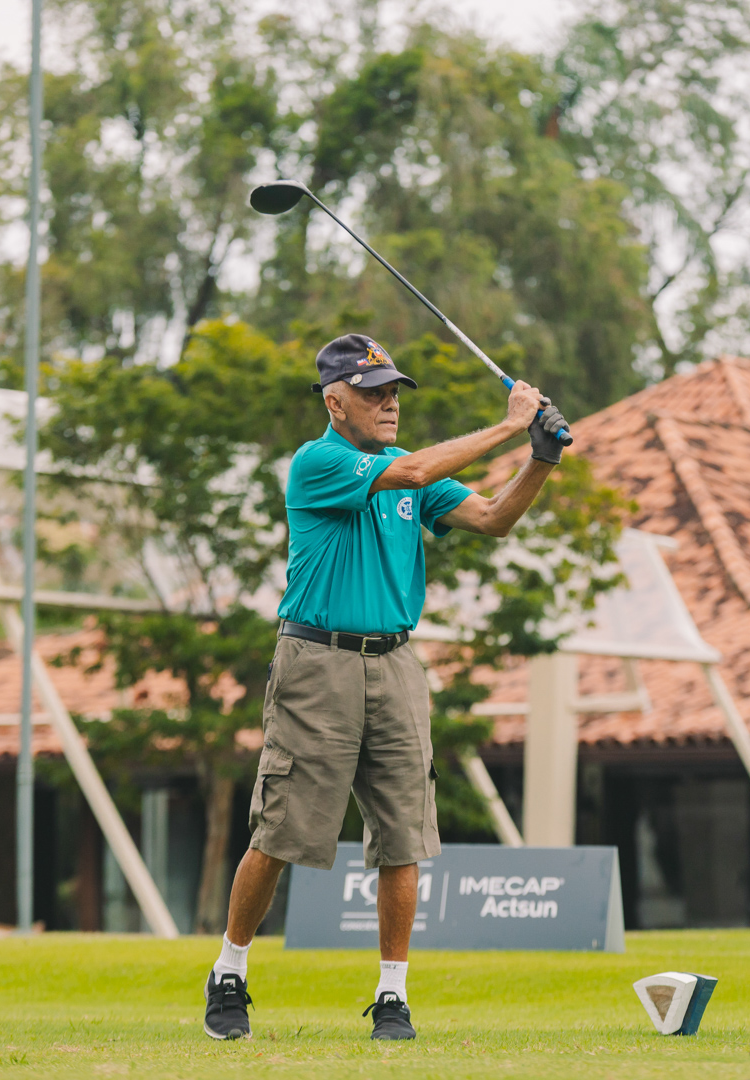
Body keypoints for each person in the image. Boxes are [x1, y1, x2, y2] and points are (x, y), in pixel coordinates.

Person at [202, 333, 568, 1042]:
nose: (390, 403)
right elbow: (414, 472)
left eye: (394, 391)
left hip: (397, 663)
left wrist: (541, 459)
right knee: (281, 831)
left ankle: (392, 994)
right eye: (374, 394)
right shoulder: (318, 462)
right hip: (317, 662)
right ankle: (230, 970)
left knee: (403, 836)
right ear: (335, 403)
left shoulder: (409, 471)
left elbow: (492, 518)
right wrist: (509, 424)